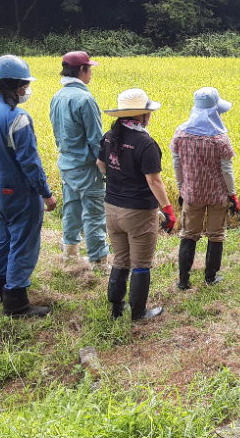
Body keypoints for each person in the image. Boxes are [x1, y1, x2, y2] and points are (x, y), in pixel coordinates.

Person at [0, 55, 56, 318]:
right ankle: (16, 302)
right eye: (25, 85)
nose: (26, 90)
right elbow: (30, 163)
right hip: (19, 189)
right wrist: (46, 194)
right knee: (23, 242)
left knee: (3, 237)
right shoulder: (17, 117)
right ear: (15, 86)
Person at [97, 88, 176, 320]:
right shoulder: (145, 143)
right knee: (141, 262)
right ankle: (139, 312)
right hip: (139, 212)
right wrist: (168, 210)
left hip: (111, 208)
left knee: (121, 259)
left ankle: (116, 308)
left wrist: (118, 178)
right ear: (141, 115)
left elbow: (101, 164)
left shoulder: (109, 136)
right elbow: (154, 180)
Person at [170, 87, 240, 290]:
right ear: (215, 111)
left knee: (188, 234)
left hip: (192, 194)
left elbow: (177, 165)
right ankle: (210, 277)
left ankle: (183, 280)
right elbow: (227, 170)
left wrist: (182, 189)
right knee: (216, 234)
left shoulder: (181, 134)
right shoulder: (220, 138)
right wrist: (232, 194)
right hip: (218, 194)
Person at [49, 51, 110, 272]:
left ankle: (70, 257)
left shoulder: (57, 96)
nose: (91, 72)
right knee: (94, 215)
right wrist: (105, 166)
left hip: (67, 164)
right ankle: (99, 262)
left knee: (71, 210)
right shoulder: (85, 99)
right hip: (86, 168)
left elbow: (57, 133)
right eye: (90, 68)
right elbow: (96, 140)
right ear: (82, 70)